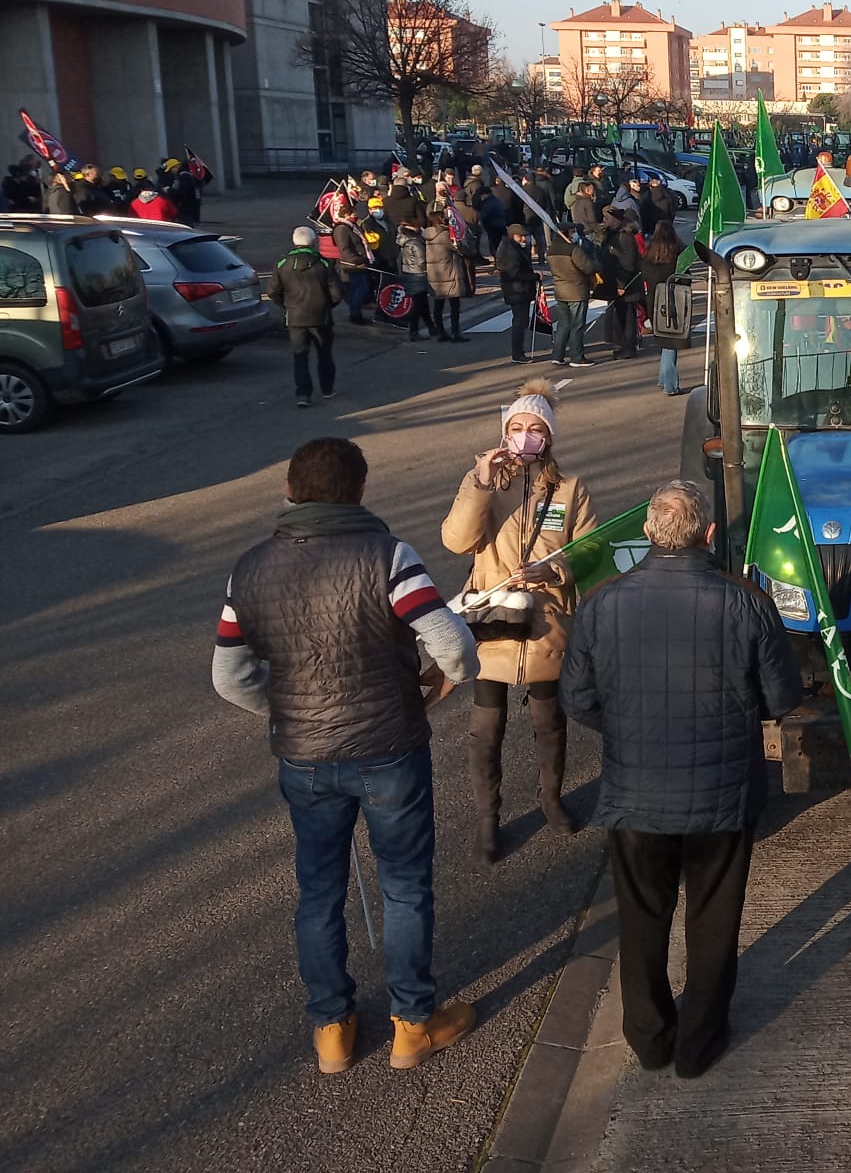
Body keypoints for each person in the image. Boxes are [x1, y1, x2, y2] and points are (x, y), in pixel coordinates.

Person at [211, 436, 481, 1074]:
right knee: (405, 887)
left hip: (303, 758)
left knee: (318, 891)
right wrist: (437, 688)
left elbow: (229, 678)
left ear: (289, 490)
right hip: (389, 748)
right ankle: (413, 1024)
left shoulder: (247, 570)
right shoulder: (388, 557)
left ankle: (331, 1029)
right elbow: (456, 648)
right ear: (359, 491)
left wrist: (288, 713)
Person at [559, 480, 801, 1077]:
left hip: (635, 795)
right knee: (713, 920)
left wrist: (626, 729)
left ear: (647, 533)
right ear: (709, 534)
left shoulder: (602, 602)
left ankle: (649, 1035)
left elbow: (577, 698)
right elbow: (781, 696)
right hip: (721, 796)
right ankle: (700, 1042)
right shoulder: (746, 601)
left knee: (642, 918)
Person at [442, 379, 598, 863]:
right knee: (486, 727)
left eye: (535, 428)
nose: (526, 436)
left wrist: (555, 568)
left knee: (549, 719)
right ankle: (489, 818)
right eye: (517, 427)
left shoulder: (571, 489)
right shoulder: (484, 485)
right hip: (492, 619)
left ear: (549, 437)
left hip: (546, 621)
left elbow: (592, 548)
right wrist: (482, 484)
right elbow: (456, 541)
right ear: (504, 432)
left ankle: (551, 799)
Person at [271, 226, 345, 406]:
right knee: (324, 354)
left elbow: (273, 291)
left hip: (295, 317)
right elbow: (336, 293)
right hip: (321, 316)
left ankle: (303, 394)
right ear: (313, 242)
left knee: (300, 355)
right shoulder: (325, 264)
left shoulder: (282, 264)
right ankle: (327, 388)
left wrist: (287, 306)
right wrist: (326, 305)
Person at [640, 222, 686, 395]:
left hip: (654, 302)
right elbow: (685, 279)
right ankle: (670, 385)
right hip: (674, 302)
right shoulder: (678, 256)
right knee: (671, 344)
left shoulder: (648, 257)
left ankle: (663, 378)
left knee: (664, 342)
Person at [547, 229, 596, 368]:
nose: (574, 235)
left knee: (563, 324)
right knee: (577, 325)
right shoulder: (573, 250)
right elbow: (588, 267)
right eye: (572, 232)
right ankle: (577, 357)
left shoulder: (551, 250)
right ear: (566, 234)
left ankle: (558, 355)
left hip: (560, 290)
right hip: (576, 290)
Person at [598, 211, 643, 359]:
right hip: (614, 283)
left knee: (628, 318)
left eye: (607, 218)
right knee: (618, 317)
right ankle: (620, 345)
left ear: (616, 220)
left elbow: (627, 264)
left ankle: (628, 347)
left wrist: (622, 285)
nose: (604, 220)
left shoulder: (624, 237)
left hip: (626, 286)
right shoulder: (612, 234)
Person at [424, 210, 471, 343]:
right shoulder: (444, 235)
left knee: (438, 305)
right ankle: (455, 332)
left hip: (434, 274)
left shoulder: (427, 235)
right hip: (449, 272)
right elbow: (460, 248)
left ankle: (441, 332)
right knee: (454, 304)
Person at [495, 223, 539, 363]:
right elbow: (515, 273)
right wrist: (535, 277)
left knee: (521, 320)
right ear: (513, 236)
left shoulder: (511, 247)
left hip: (517, 289)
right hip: (517, 290)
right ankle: (518, 353)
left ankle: (519, 352)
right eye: (521, 236)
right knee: (520, 321)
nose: (524, 239)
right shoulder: (511, 251)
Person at [395, 216, 441, 342]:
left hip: (410, 273)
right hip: (418, 275)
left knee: (422, 304)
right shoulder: (415, 241)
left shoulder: (405, 240)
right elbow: (421, 260)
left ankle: (431, 327)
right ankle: (413, 331)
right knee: (418, 305)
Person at [331, 210, 373, 326]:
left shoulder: (351, 226)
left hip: (358, 264)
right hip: (352, 265)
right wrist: (357, 260)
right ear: (345, 215)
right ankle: (355, 315)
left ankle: (356, 313)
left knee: (359, 289)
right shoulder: (341, 229)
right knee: (358, 290)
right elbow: (344, 249)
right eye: (352, 213)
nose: (355, 215)